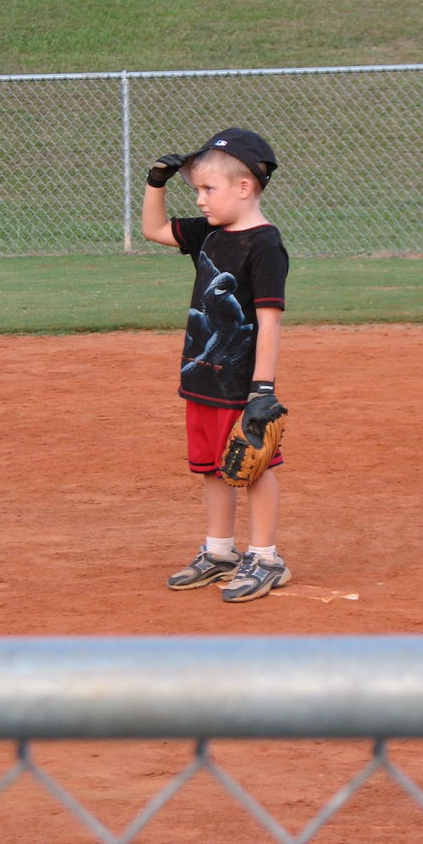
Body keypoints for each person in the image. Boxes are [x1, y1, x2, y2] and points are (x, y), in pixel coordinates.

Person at [141, 127, 291, 603]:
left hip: (242, 384)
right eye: (197, 190)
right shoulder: (209, 233)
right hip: (202, 375)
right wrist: (155, 184)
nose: (201, 200)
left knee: (253, 467)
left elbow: (269, 322)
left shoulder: (264, 245)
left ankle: (266, 558)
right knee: (213, 467)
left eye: (209, 189)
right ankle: (220, 551)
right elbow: (155, 230)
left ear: (244, 188)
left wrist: (262, 389)